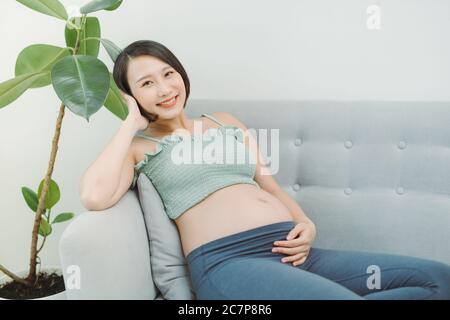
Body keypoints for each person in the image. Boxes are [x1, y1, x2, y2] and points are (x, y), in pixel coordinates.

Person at [79, 40, 450, 300]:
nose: (164, 89)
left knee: (439, 280)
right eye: (146, 83)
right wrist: (129, 122)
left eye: (168, 74)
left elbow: (269, 187)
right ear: (130, 96)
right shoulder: (139, 148)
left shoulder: (224, 121)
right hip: (229, 263)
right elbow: (94, 197)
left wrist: (305, 223)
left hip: (293, 251)